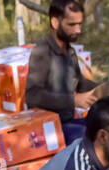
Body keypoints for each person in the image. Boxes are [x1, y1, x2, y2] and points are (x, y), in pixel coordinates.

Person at [24, 0, 100, 145]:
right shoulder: (42, 52)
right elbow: (32, 96)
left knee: (107, 128)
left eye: (79, 24)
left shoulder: (69, 51)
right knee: (94, 139)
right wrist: (74, 101)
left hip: (68, 122)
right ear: (55, 22)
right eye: (72, 25)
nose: (78, 30)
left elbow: (79, 83)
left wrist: (105, 89)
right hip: (48, 129)